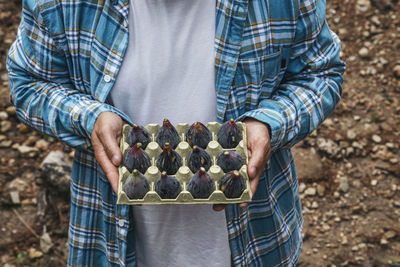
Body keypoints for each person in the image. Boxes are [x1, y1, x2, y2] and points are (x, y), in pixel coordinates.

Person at [7, 0, 345, 266]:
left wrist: (270, 123)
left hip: (256, 240)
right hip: (111, 242)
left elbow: (321, 71)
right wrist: (88, 118)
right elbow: (29, 81)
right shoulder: (60, 4)